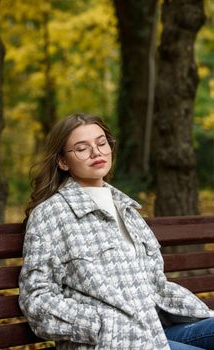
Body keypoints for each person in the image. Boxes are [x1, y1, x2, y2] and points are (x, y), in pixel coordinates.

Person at [19, 113, 214, 350]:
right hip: (107, 343)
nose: (96, 152)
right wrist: (102, 325)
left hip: (153, 329)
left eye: (102, 143)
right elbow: (37, 300)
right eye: (82, 148)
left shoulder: (126, 209)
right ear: (62, 161)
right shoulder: (51, 214)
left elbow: (155, 284)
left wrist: (202, 314)